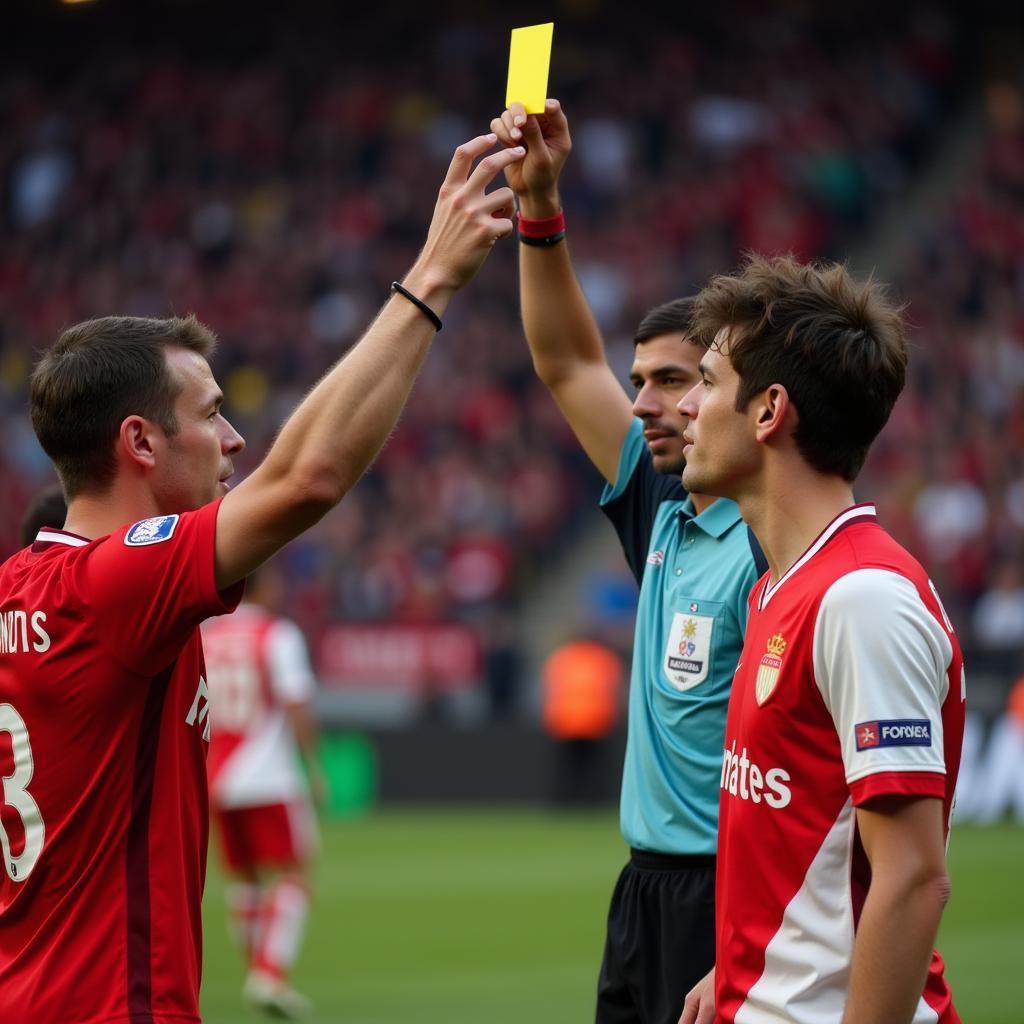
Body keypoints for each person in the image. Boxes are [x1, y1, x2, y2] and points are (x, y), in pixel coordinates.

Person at [0, 132, 524, 1024]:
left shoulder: (18, 583)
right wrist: (431, 278)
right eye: (211, 414)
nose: (237, 438)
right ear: (138, 443)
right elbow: (306, 480)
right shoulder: (116, 585)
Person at [491, 100, 764, 1024]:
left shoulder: (779, 542)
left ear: (744, 397)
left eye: (674, 381)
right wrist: (539, 206)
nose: (642, 402)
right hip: (644, 893)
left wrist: (760, 933)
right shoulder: (660, 505)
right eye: (639, 379)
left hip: (739, 893)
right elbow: (568, 360)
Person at [676, 254, 965, 1024]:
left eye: (706, 382)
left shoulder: (861, 599)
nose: (685, 409)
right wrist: (741, 971)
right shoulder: (782, 585)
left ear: (769, 411)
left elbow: (910, 879)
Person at [202, 564, 325, 1018]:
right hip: (268, 773)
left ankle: (258, 970)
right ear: (267, 585)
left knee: (246, 881)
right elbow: (296, 702)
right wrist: (314, 767)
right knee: (294, 874)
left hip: (218, 775)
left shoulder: (207, 635)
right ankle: (269, 975)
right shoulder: (277, 634)